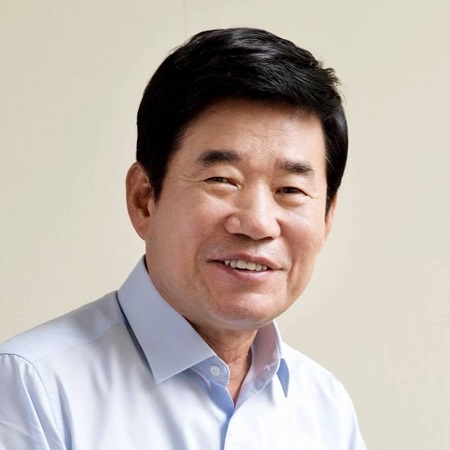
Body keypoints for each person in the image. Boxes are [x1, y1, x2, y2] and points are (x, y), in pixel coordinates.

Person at [0, 27, 366, 449]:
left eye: (290, 190)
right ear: (144, 199)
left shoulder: (324, 407)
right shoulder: (33, 387)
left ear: (327, 218)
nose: (257, 223)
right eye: (222, 180)